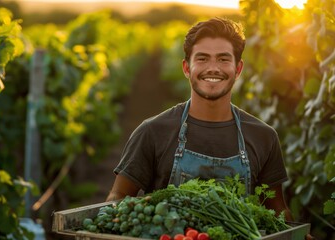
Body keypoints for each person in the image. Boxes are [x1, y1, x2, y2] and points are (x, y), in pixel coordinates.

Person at [107, 17, 291, 220]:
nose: (213, 68)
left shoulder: (263, 136)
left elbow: (278, 212)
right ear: (187, 68)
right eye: (202, 58)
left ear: (238, 69)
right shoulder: (152, 131)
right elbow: (118, 198)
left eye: (223, 59)